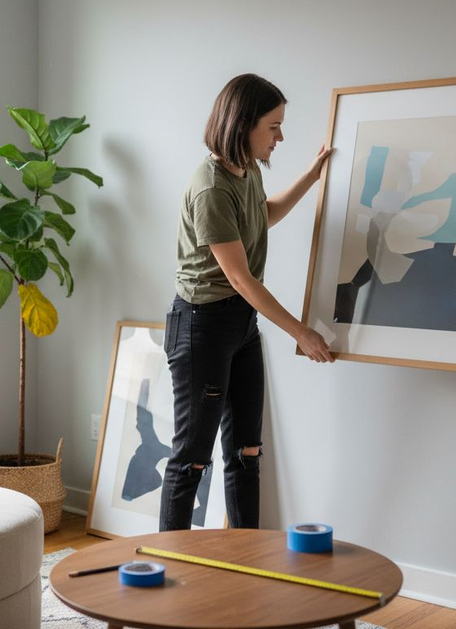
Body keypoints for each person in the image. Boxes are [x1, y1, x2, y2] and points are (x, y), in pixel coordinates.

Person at [159, 74, 335, 532]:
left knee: (246, 452)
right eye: (273, 126)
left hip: (240, 324)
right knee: (192, 460)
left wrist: (312, 177)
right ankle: (168, 563)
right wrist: (301, 331)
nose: (281, 137)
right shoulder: (211, 188)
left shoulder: (248, 171)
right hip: (201, 327)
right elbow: (240, 277)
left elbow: (263, 214)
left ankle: (247, 560)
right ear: (243, 125)